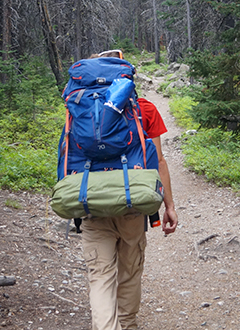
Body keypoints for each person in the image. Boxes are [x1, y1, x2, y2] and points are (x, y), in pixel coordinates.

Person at [81, 50, 178, 330]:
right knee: (130, 271)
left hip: (91, 205)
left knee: (100, 278)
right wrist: (168, 206)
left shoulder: (81, 107)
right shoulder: (145, 109)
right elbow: (158, 161)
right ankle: (128, 323)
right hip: (132, 205)